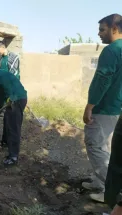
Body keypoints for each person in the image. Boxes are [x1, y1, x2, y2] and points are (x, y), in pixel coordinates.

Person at [82, 14, 122, 204]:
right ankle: (100, 182)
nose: (99, 34)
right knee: (103, 145)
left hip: (103, 107)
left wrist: (90, 106)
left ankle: (109, 190)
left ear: (115, 28)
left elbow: (102, 80)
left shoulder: (112, 50)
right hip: (115, 107)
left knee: (95, 145)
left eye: (102, 29)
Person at [0, 61, 27, 166]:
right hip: (16, 99)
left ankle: (13, 157)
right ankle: (5, 142)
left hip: (16, 100)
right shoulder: (0, 76)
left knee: (13, 127)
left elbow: (7, 85)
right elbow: (1, 98)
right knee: (7, 119)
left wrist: (11, 97)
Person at [0, 40, 21, 152]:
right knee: (6, 118)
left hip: (13, 93)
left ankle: (9, 146)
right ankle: (4, 142)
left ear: (2, 47)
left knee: (10, 120)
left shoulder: (13, 57)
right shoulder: (2, 59)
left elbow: (12, 76)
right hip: (5, 91)